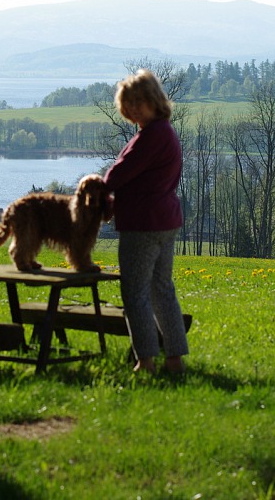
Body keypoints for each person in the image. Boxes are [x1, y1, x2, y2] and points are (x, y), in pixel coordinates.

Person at [103, 69, 188, 374]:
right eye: (128, 103)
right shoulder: (164, 131)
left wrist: (104, 190)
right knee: (162, 288)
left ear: (154, 100)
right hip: (165, 220)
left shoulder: (152, 135)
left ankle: (146, 360)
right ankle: (174, 358)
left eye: (139, 101)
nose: (133, 108)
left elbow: (117, 174)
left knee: (136, 293)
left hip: (144, 223)